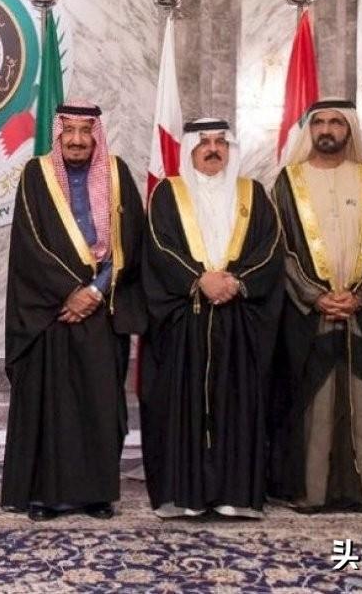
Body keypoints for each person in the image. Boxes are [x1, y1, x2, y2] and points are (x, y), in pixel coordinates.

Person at [0, 101, 145, 521]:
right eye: (70, 131)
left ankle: (96, 494)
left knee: (98, 404)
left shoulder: (116, 173)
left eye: (86, 131)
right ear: (58, 134)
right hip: (51, 311)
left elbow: (131, 238)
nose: (77, 140)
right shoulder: (37, 174)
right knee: (51, 406)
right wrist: (70, 292)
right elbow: (29, 244)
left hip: (101, 308)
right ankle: (46, 496)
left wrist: (96, 291)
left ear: (96, 136)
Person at [140, 118, 283, 520]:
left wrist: (236, 282)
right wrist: (198, 280)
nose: (213, 149)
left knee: (236, 405)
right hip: (187, 319)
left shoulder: (253, 193)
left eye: (221, 141)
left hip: (237, 320)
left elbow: (270, 248)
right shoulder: (168, 193)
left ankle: (235, 495)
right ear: (190, 149)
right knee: (183, 407)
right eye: (204, 142)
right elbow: (159, 247)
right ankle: (185, 495)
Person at [268, 99, 362, 513]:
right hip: (307, 313)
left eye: (336, 122)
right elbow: (279, 247)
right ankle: (311, 491)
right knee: (313, 399)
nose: (327, 129)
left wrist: (361, 295)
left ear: (349, 129)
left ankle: (360, 490)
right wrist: (314, 295)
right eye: (319, 122)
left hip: (361, 311)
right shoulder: (288, 182)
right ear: (310, 131)